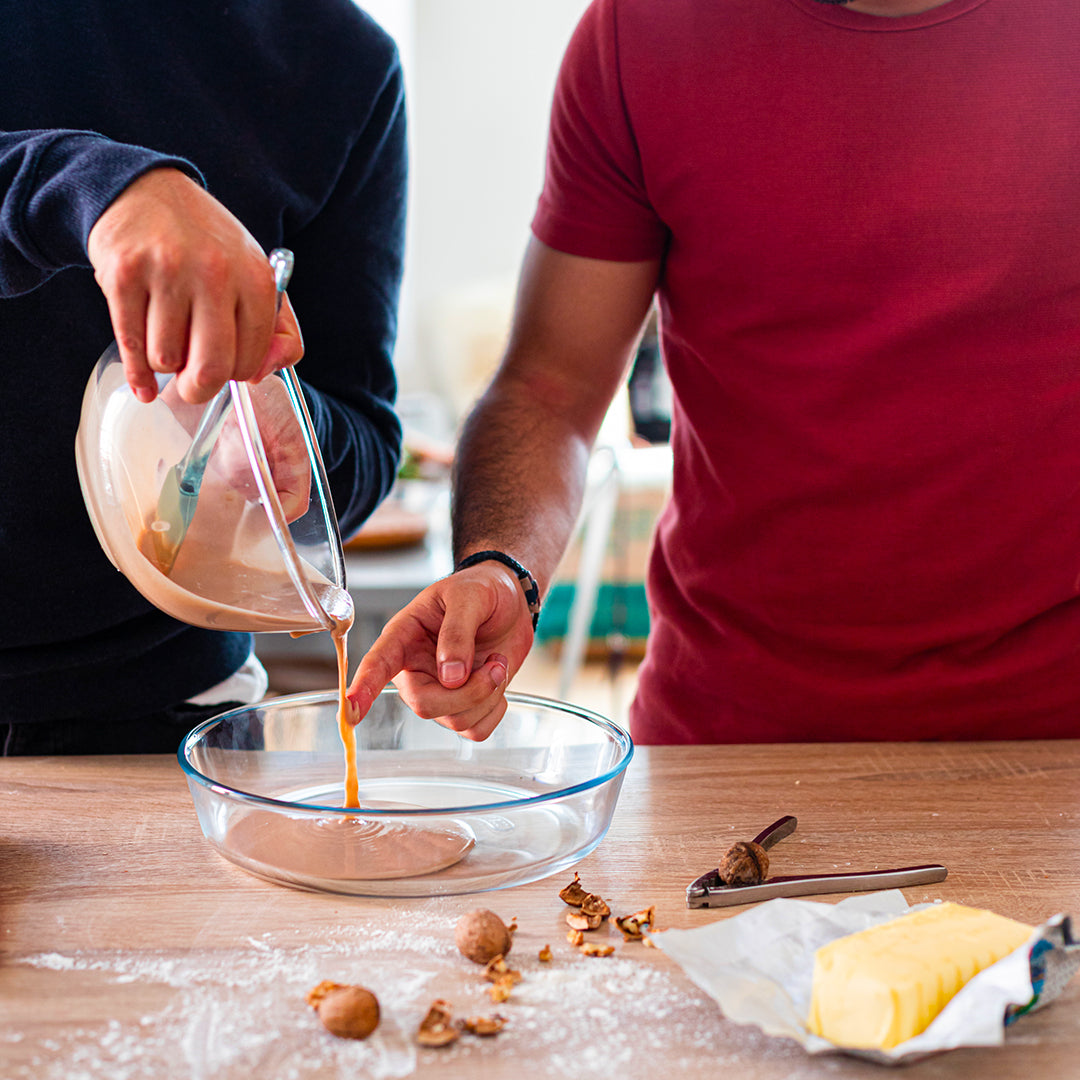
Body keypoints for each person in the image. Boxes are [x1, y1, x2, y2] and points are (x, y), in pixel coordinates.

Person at [347, 0, 1080, 745]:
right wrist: (503, 567)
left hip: (1057, 742)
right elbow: (549, 386)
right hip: (727, 735)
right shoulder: (637, 35)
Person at [0, 0, 405, 754]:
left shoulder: (341, 60)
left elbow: (367, 435)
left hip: (168, 711)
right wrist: (90, 190)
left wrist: (290, 426)